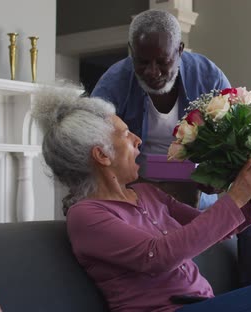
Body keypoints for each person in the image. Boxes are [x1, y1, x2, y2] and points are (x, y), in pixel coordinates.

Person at [31, 87, 251, 312]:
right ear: (101, 155)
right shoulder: (86, 217)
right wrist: (236, 195)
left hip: (200, 304)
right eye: (125, 134)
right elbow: (159, 256)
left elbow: (215, 228)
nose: (137, 140)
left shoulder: (146, 193)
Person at [91, 9, 229, 209]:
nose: (152, 72)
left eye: (163, 62)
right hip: (136, 196)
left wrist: (219, 173)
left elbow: (232, 140)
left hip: (198, 200)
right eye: (142, 61)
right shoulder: (113, 83)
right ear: (131, 50)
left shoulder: (208, 77)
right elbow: (91, 145)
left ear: (180, 50)